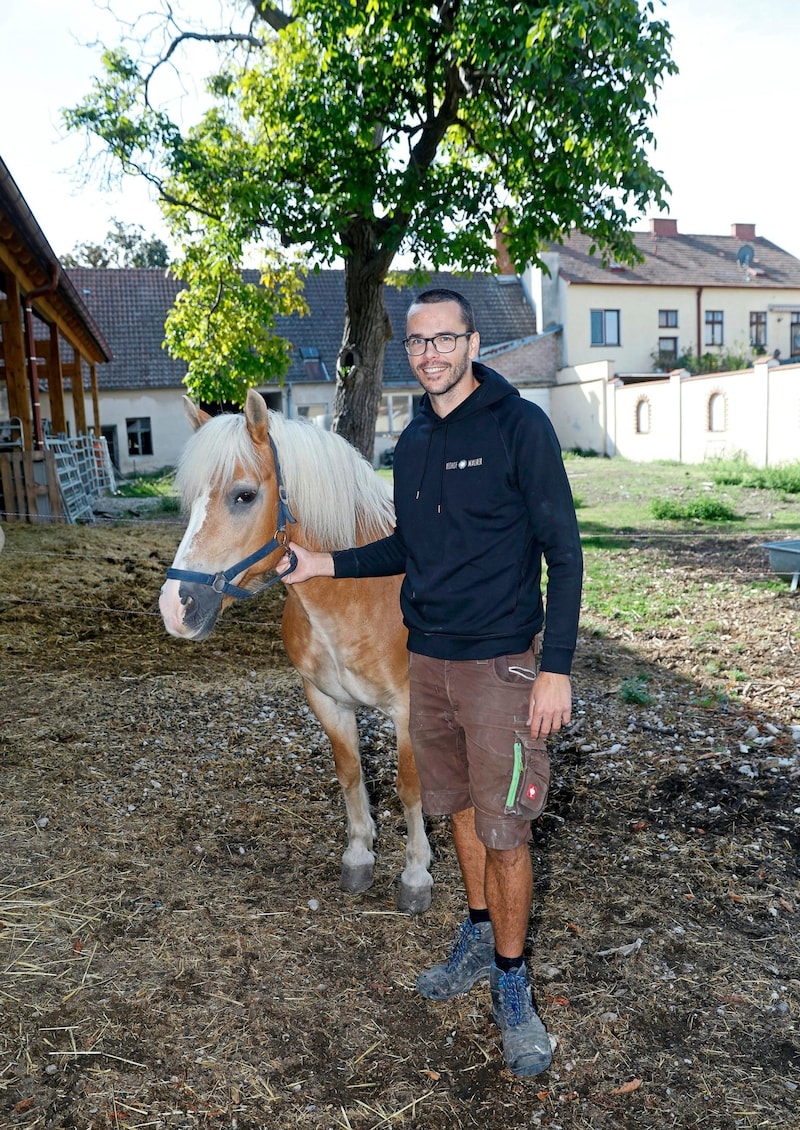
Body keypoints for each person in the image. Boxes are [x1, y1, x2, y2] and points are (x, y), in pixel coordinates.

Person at [280, 288, 582, 1077]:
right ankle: (479, 937)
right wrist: (324, 563)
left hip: (502, 668)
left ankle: (513, 986)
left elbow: (566, 552)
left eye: (444, 339)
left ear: (472, 343)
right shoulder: (412, 440)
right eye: (417, 343)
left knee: (506, 830)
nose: (430, 354)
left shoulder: (522, 427)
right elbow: (405, 548)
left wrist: (555, 669)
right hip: (431, 665)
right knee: (453, 812)